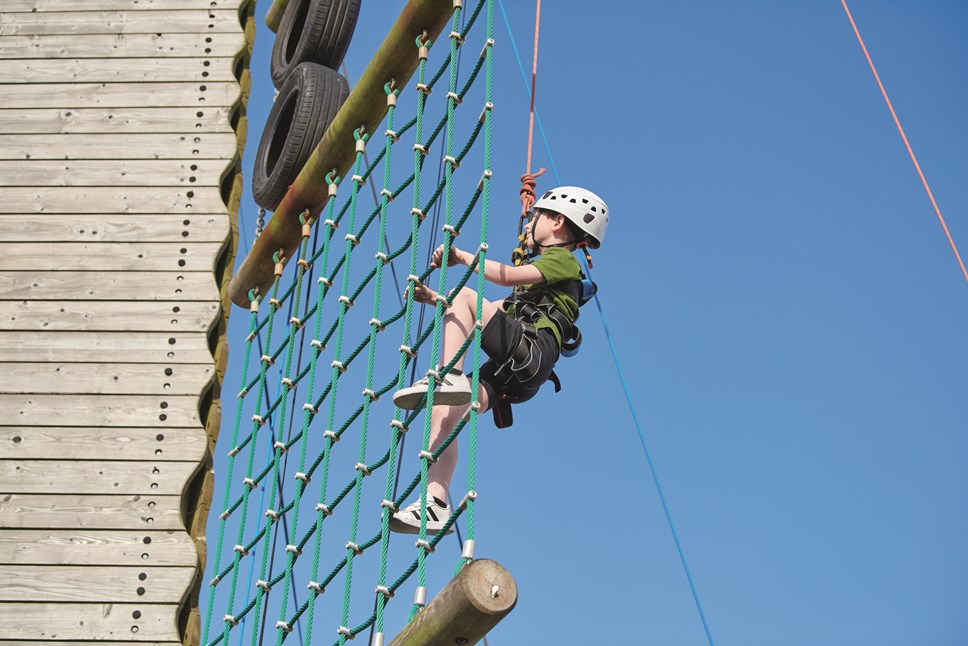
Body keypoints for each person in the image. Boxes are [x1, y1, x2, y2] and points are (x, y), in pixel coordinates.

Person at [388, 186, 609, 534]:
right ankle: (435, 503)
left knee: (465, 295)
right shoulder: (541, 282)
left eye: (536, 216)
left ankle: (450, 375)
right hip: (517, 371)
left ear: (557, 222)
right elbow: (488, 312)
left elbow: (506, 276)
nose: (528, 224)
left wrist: (463, 257)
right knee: (444, 412)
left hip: (531, 353)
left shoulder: (563, 260)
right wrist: (435, 299)